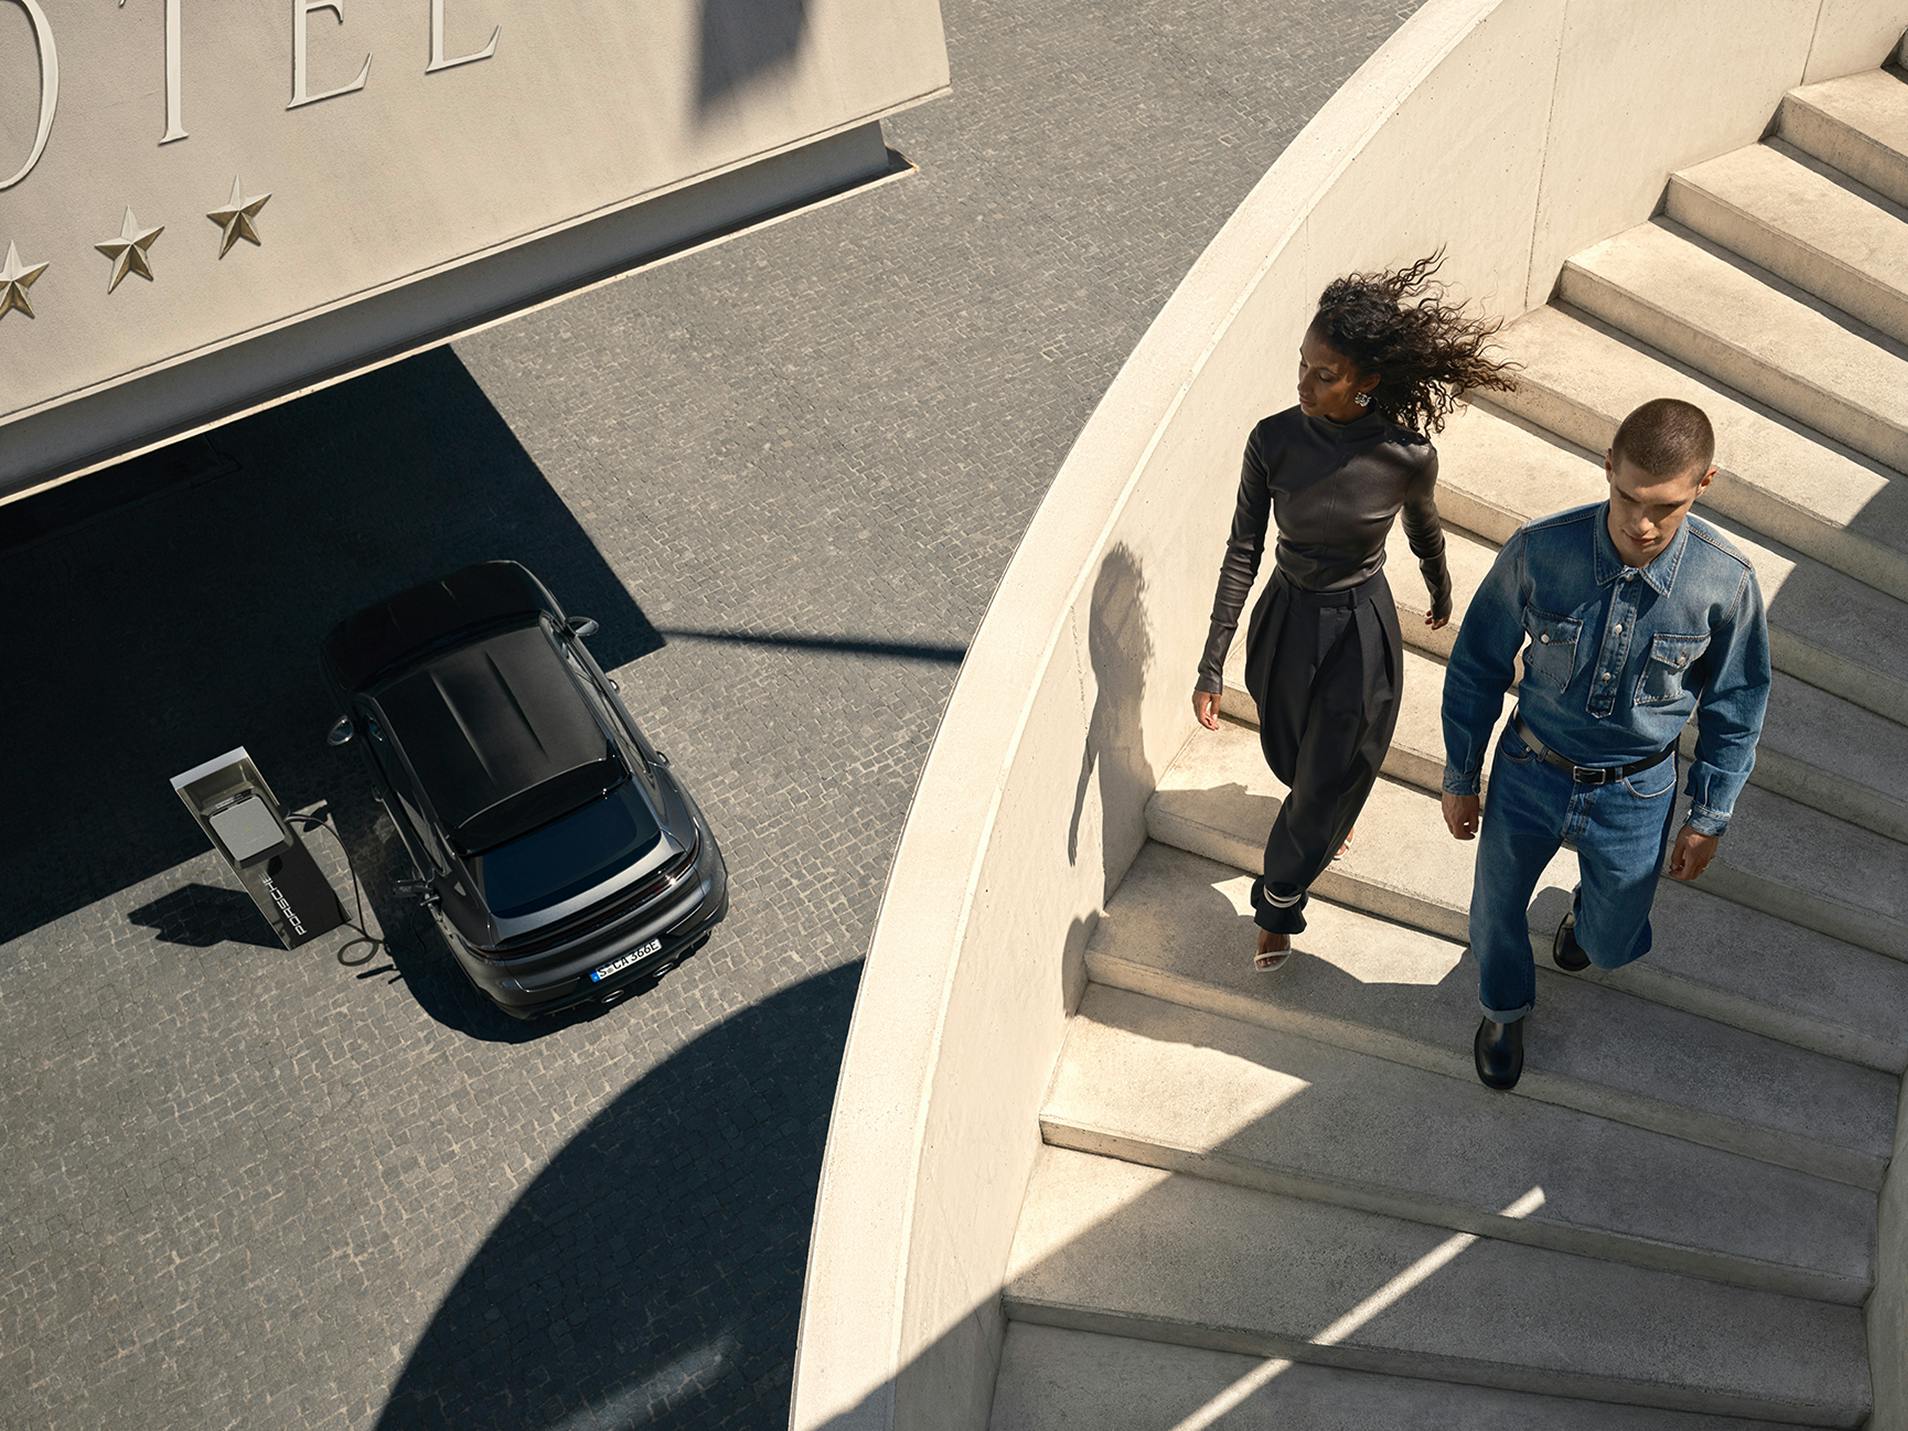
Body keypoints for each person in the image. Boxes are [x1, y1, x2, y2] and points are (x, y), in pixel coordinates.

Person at [1193, 251, 1517, 972]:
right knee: (1290, 757)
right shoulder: (1271, 439)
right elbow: (1243, 548)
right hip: (1285, 618)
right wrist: (1212, 659)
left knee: (1322, 780)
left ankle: (1278, 903)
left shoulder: (1405, 455)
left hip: (1358, 631)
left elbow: (1424, 526)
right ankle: (1322, 809)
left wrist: (1439, 587)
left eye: (1325, 373)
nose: (1304, 383)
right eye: (1303, 365)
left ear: (1367, 382)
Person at [1440, 397, 1771, 1091]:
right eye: (1627, 497)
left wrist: (1710, 815)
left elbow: (1736, 706)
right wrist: (1461, 771)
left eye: (1666, 506)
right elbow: (1477, 662)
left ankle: (1586, 926)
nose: (1641, 523)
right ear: (1608, 465)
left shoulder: (1726, 582)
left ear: (1703, 486)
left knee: (1613, 942)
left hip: (1637, 789)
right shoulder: (1541, 549)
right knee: (1494, 909)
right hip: (1532, 768)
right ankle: (1503, 1009)